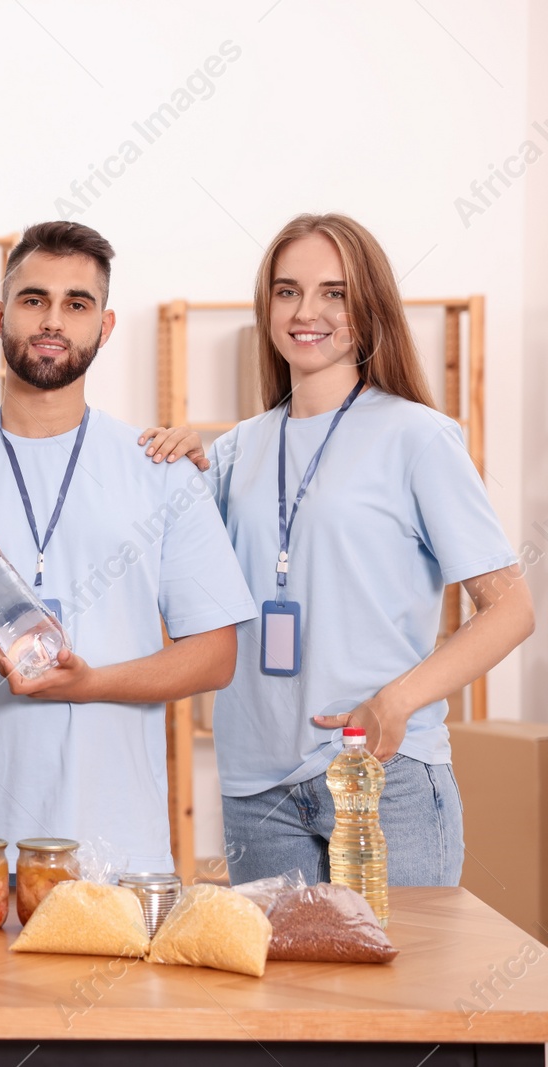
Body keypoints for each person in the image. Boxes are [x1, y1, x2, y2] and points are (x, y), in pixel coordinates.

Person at [138, 213, 533, 885]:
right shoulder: (235, 449)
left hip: (381, 771)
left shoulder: (419, 438)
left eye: (334, 292)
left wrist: (397, 701)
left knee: (403, 989)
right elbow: (188, 602)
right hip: (256, 787)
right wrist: (179, 476)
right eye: (288, 291)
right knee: (285, 994)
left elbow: (512, 610)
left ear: (368, 304)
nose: (306, 311)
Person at [0, 221, 257, 873]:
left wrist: (90, 683)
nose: (53, 320)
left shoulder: (160, 470)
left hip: (116, 850)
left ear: (103, 328)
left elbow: (216, 657)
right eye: (33, 299)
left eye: (77, 304)